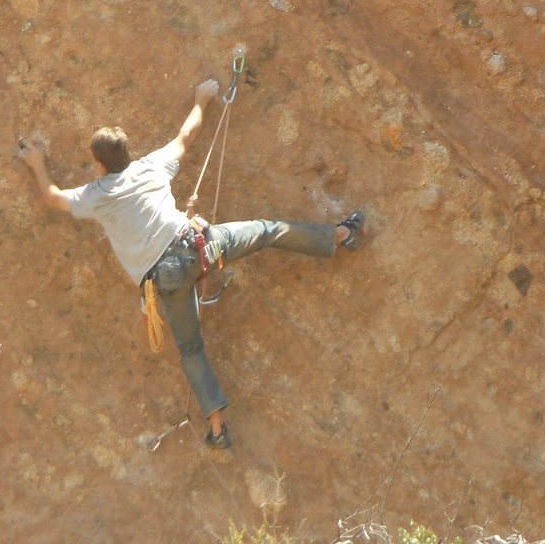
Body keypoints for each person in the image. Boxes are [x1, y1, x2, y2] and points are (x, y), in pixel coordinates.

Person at [19, 78, 364, 449]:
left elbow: (54, 198)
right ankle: (341, 236)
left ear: (99, 163)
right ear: (126, 153)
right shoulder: (150, 167)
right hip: (198, 247)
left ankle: (217, 430)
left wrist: (36, 162)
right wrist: (202, 99)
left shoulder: (95, 195)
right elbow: (187, 137)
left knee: (191, 348)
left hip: (164, 279)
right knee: (265, 232)